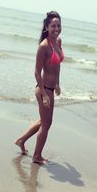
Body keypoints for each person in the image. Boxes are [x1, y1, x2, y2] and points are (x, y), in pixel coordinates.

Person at [14, 11, 64, 165]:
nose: (56, 28)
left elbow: (57, 65)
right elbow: (36, 72)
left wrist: (57, 83)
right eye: (53, 26)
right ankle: (37, 156)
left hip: (50, 88)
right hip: (43, 90)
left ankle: (21, 140)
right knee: (47, 124)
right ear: (47, 27)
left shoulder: (58, 42)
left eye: (58, 25)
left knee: (44, 121)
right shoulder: (43, 46)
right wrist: (44, 94)